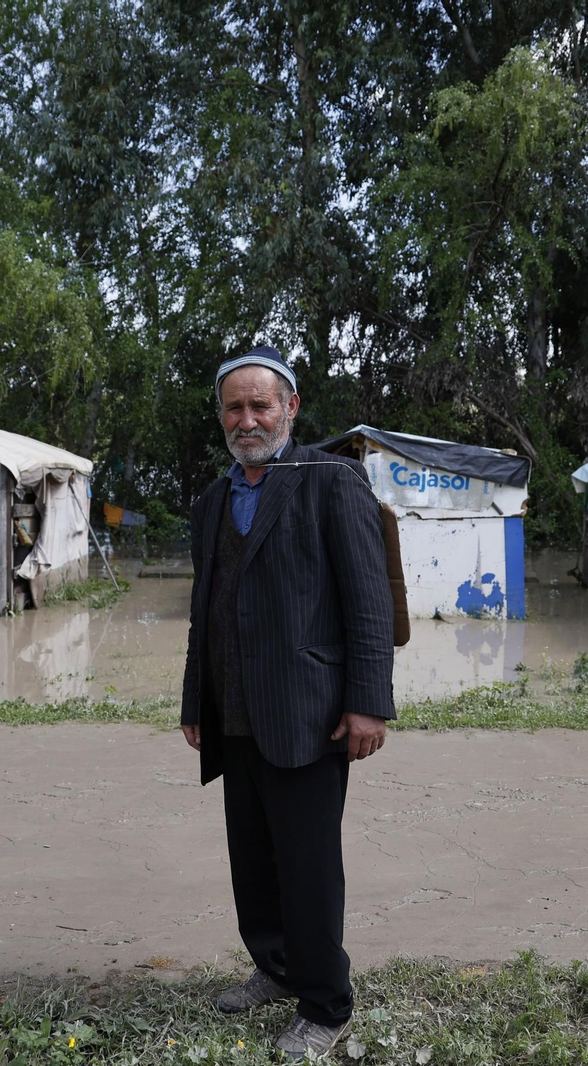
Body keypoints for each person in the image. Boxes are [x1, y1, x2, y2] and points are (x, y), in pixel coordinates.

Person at [179, 345, 395, 1061]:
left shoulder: (332, 482)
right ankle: (274, 967)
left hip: (309, 711)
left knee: (307, 867)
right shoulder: (213, 501)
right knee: (253, 860)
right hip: (235, 713)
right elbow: (205, 612)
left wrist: (368, 703)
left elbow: (368, 602)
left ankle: (325, 1003)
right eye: (234, 408)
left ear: (291, 407)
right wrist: (196, 701)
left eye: (260, 405)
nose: (247, 420)